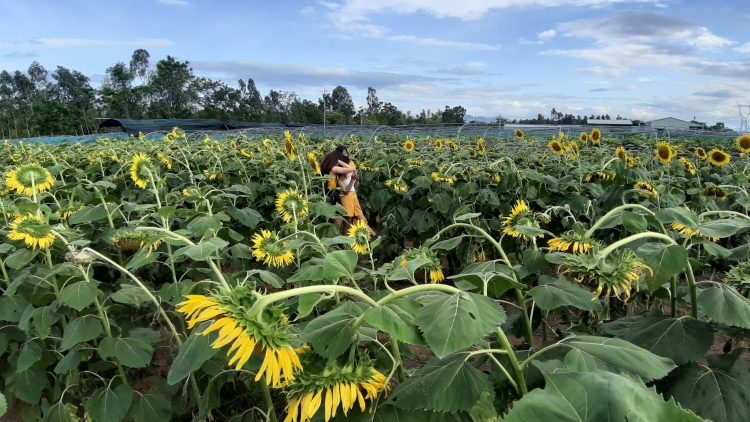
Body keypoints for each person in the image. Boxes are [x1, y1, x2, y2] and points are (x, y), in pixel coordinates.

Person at [334, 145, 376, 237]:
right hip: (346, 197)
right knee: (348, 222)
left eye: (345, 153)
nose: (344, 155)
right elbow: (345, 191)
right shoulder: (338, 170)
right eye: (342, 154)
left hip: (354, 196)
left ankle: (374, 237)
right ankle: (347, 244)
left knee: (362, 221)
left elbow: (356, 186)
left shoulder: (351, 164)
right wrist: (352, 179)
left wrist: (356, 179)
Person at [319, 150, 356, 233]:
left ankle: (334, 243)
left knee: (332, 223)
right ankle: (335, 244)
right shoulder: (333, 168)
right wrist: (338, 160)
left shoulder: (327, 169)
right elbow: (351, 169)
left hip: (328, 195)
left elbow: (345, 190)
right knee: (336, 225)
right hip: (333, 197)